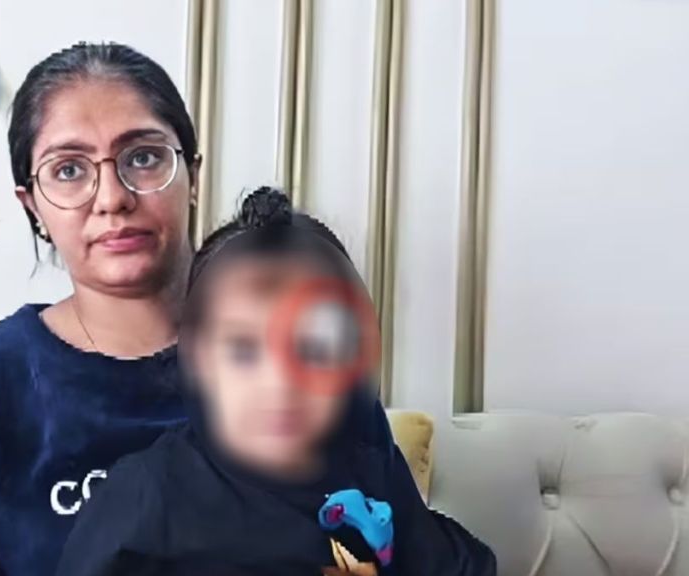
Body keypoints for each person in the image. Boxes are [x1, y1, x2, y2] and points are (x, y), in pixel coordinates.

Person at [0, 43, 396, 576]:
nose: (112, 198)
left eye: (144, 158)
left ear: (193, 175)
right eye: (68, 170)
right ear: (33, 207)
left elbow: (395, 546)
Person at [55, 188, 496, 576]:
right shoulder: (147, 494)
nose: (281, 381)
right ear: (199, 360)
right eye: (244, 350)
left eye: (315, 347)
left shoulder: (367, 467)